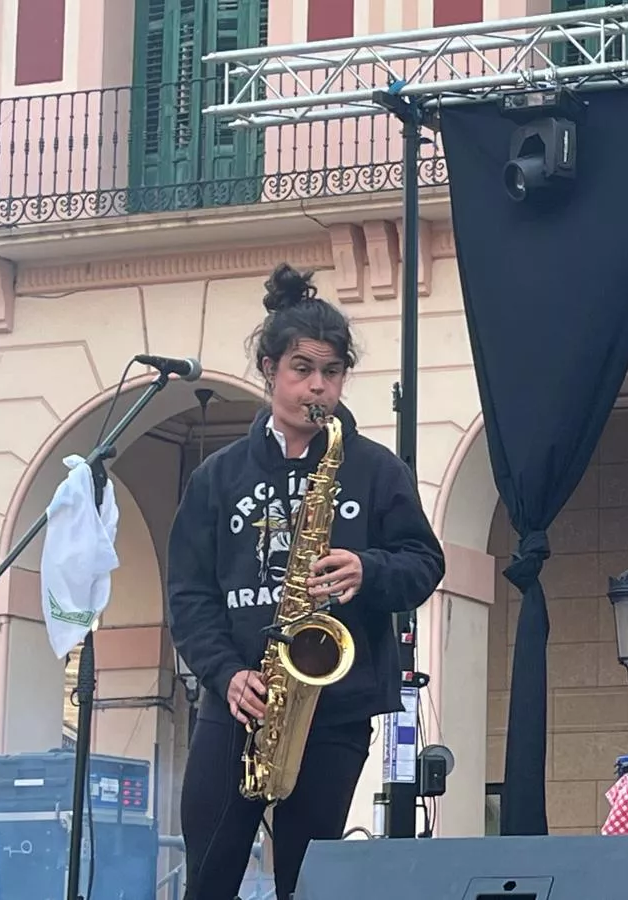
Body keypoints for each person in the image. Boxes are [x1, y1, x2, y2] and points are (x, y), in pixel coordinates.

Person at [167, 263, 446, 900]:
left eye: (332, 371)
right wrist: (225, 673)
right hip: (239, 699)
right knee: (207, 879)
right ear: (269, 369)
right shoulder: (217, 476)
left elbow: (424, 563)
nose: (317, 387)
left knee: (308, 884)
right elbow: (189, 594)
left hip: (335, 706)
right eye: (302, 370)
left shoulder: (374, 468)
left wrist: (369, 568)